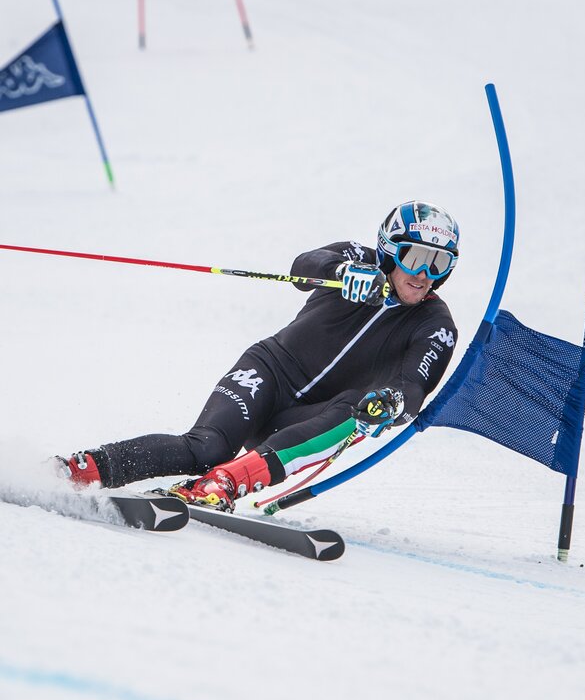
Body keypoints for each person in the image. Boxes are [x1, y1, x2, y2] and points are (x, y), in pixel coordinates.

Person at [57, 201, 460, 512]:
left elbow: (413, 386)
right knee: (207, 447)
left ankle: (223, 484)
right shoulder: (359, 259)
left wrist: (391, 403)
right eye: (415, 257)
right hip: (269, 372)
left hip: (309, 418)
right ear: (389, 251)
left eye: (440, 263)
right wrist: (342, 271)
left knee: (356, 409)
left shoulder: (435, 323)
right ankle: (81, 468)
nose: (425, 274)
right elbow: (304, 265)